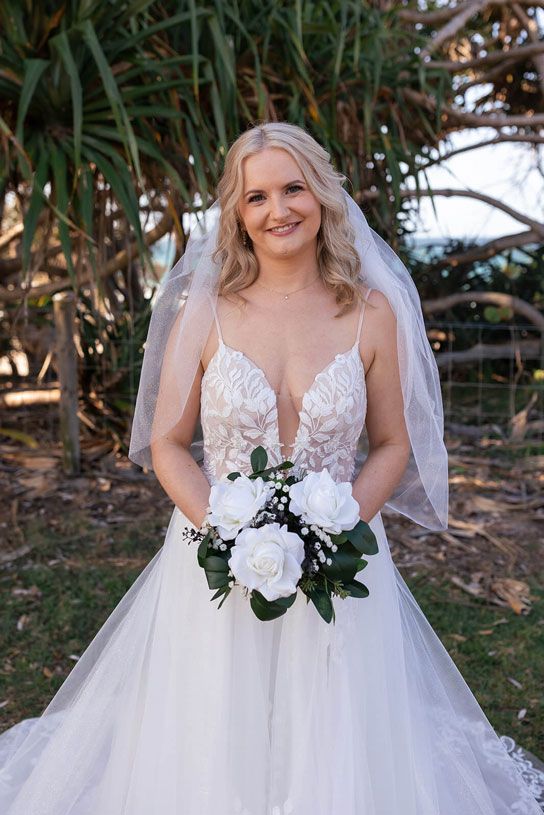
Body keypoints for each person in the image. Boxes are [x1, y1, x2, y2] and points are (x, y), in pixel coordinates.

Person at [0, 122, 541, 814]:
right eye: (257, 196)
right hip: (215, 562)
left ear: (321, 196)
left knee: (339, 732)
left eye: (293, 189)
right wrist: (224, 534)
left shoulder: (370, 313)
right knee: (214, 727)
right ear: (236, 212)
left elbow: (392, 444)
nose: (278, 210)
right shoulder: (205, 311)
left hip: (341, 563)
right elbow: (167, 443)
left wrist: (336, 527)